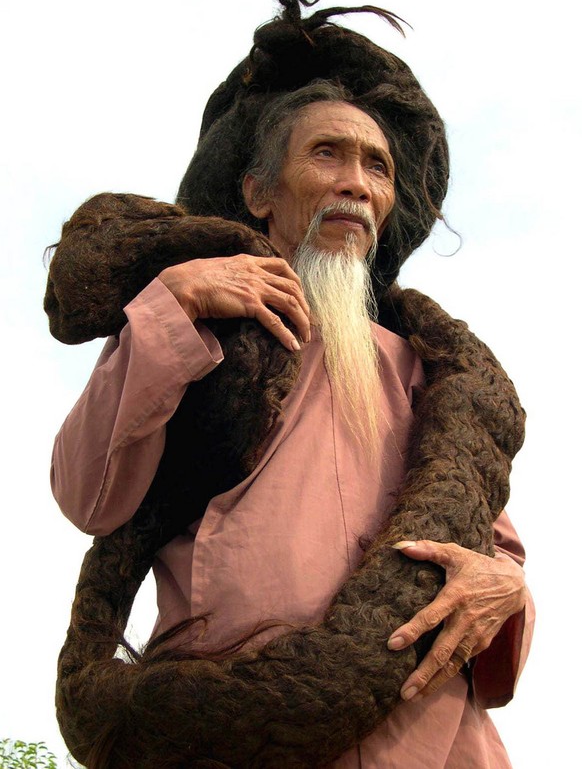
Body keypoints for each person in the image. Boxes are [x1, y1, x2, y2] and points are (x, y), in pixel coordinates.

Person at [51, 79, 533, 767]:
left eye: (378, 167)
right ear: (259, 194)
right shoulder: (189, 328)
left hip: (435, 739)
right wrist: (173, 300)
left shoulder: (435, 379)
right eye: (328, 154)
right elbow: (85, 494)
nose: (356, 184)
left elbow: (498, 556)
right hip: (225, 733)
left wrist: (508, 590)